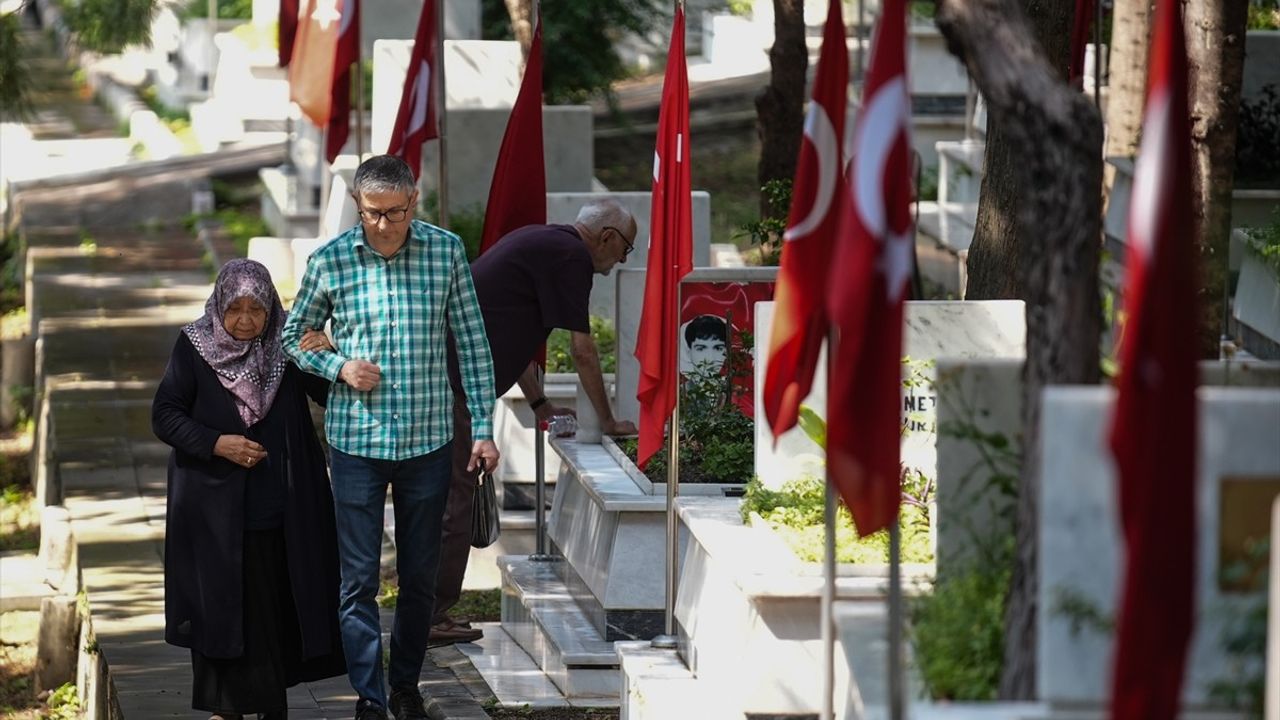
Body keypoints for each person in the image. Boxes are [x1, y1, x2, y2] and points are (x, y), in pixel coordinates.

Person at [281, 155, 500, 720]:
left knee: (419, 577)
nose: (383, 224)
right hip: (356, 442)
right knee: (357, 580)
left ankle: (405, 686)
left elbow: (473, 343)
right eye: (372, 213)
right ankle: (369, 696)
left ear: (413, 201)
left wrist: (483, 429)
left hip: (428, 442)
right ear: (358, 205)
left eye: (395, 212)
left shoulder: (445, 252)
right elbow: (292, 333)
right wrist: (339, 368)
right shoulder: (331, 260)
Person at [429, 198, 640, 645]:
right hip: (453, 387)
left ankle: (429, 611)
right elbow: (583, 351)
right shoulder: (572, 257)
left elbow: (512, 332)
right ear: (607, 237)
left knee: (451, 498)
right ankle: (431, 616)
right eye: (626, 248)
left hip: (449, 379)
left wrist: (541, 404)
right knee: (456, 501)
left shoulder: (545, 240)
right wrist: (608, 420)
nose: (622, 259)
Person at [152, 259, 346, 720]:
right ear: (219, 306)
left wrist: (328, 350)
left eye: (256, 309)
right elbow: (165, 414)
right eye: (234, 309)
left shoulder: (286, 343)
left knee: (274, 602)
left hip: (281, 502)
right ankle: (227, 709)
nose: (244, 320)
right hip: (214, 506)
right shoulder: (194, 345)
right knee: (222, 605)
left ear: (270, 309)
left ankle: (270, 706)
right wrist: (216, 443)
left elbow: (327, 392)